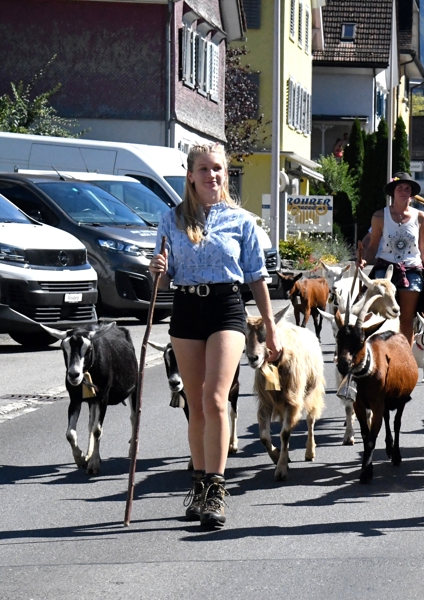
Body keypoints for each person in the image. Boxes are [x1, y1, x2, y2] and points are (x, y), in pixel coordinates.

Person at [150, 143, 280, 530]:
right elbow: (162, 276)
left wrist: (270, 325)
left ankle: (216, 489)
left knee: (215, 397)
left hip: (226, 307)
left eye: (218, 169)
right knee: (196, 404)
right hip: (187, 308)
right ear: (190, 175)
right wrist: (155, 269)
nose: (212, 176)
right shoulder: (169, 220)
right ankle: (199, 483)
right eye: (204, 169)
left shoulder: (242, 221)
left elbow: (257, 276)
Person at [359, 172, 424, 343]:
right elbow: (373, 246)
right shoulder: (379, 216)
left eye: (407, 188)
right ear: (393, 192)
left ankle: (405, 355)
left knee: (406, 319)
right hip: (385, 269)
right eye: (400, 188)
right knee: (380, 316)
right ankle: (380, 352)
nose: (404, 191)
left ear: (412, 193)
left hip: (411, 270)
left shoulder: (420, 217)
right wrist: (365, 259)